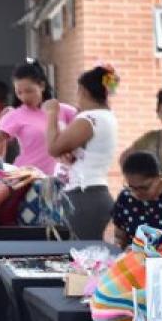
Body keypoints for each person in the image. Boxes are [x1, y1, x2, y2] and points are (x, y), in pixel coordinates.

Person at [44, 63, 120, 240]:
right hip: (94, 193)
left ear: (84, 91)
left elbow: (53, 147)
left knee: (81, 255)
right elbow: (80, 150)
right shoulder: (106, 117)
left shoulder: (89, 119)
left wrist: (52, 113)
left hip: (84, 195)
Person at [0, 60, 77, 175]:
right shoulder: (14, 115)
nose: (24, 97)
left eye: (29, 91)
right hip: (27, 181)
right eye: (19, 92)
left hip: (59, 180)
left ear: (42, 86)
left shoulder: (62, 110)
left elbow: (87, 129)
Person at [111, 151, 162, 248]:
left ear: (158, 177)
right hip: (133, 259)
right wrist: (117, 245)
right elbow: (119, 236)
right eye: (132, 187)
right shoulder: (125, 197)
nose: (137, 193)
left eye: (144, 188)